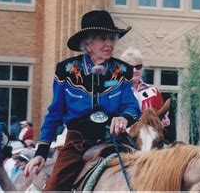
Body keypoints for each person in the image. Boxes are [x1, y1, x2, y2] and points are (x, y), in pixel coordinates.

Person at [24, 10, 141, 191]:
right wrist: (41, 153)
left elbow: (132, 106)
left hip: (116, 141)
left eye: (112, 38)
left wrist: (124, 117)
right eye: (103, 38)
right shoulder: (66, 70)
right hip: (76, 144)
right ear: (87, 43)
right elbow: (54, 114)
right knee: (53, 189)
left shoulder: (123, 69)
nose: (109, 43)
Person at [120, 47, 170, 126]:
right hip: (125, 136)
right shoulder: (117, 92)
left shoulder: (153, 91)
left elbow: (164, 120)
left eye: (138, 67)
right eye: (130, 67)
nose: (134, 70)